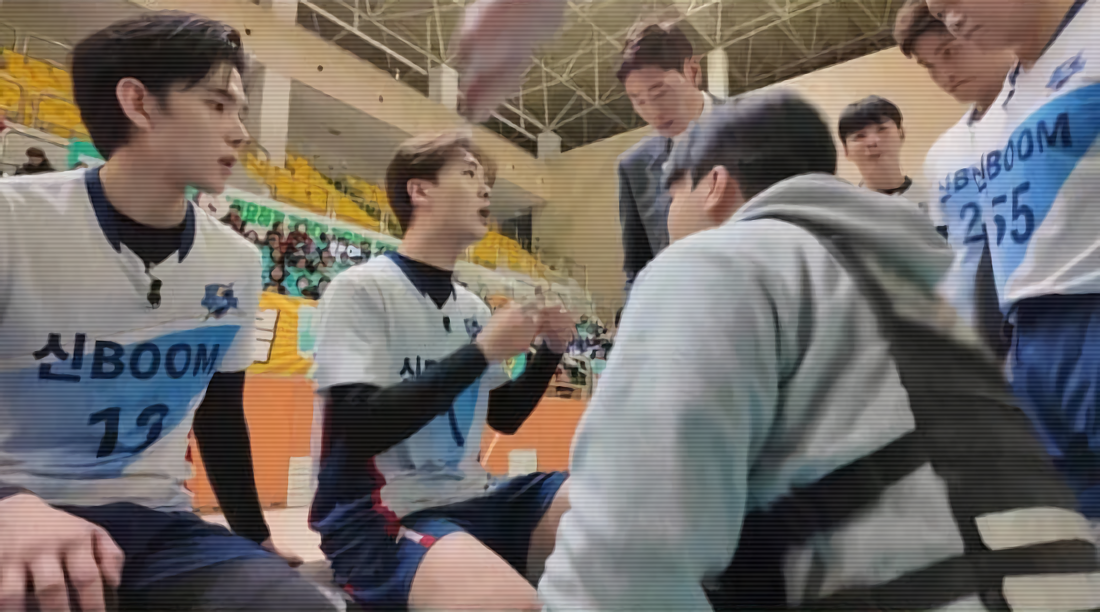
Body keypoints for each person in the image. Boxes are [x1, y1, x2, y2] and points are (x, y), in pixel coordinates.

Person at [539, 90, 1099, 611]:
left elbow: (623, 563)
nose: (665, 215)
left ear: (713, 185)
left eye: (671, 193)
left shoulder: (709, 263)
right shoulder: (930, 294)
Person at [0, 13, 336, 612]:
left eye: (240, 111)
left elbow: (220, 414)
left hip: (158, 524)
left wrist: (253, 534)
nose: (240, 133)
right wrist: (7, 505)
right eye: (217, 105)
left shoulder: (237, 259)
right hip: (19, 512)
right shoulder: (12, 219)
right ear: (138, 102)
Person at [311, 131, 575, 611]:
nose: (486, 188)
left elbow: (505, 416)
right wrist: (481, 352)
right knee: (511, 604)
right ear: (420, 190)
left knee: (611, 508)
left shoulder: (472, 307)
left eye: (485, 179)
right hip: (380, 512)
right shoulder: (360, 289)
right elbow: (362, 426)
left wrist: (551, 352)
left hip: (474, 495)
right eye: (469, 174)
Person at [926, 0, 1100, 521]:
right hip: (1028, 332)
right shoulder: (999, 110)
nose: (951, 16)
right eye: (938, 9)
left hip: (1089, 303)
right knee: (1069, 514)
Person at [893, 0, 1016, 357]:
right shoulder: (941, 153)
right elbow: (955, 248)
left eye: (949, 52)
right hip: (976, 336)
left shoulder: (1050, 112)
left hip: (1057, 316)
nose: (943, 74)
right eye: (929, 66)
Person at [616, 20, 719, 295]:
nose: (654, 112)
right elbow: (638, 270)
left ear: (692, 71)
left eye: (661, 93)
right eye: (638, 101)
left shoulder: (761, 129)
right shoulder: (633, 167)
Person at [838, 96, 921, 204]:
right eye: (860, 136)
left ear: (901, 133)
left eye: (882, 129)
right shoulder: (848, 208)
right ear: (846, 151)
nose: (872, 142)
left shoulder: (932, 199)